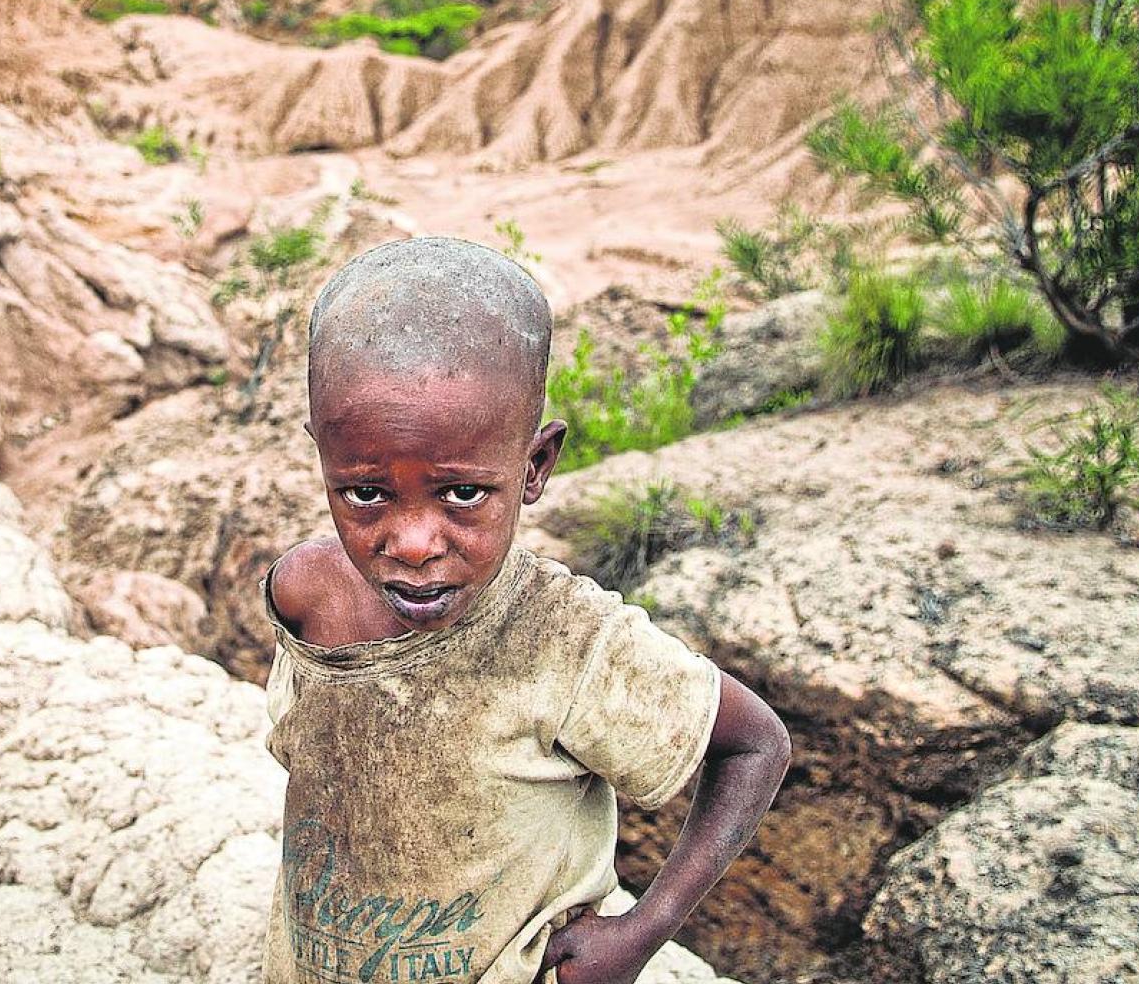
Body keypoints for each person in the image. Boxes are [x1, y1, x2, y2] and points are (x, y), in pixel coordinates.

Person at [260, 236, 791, 984]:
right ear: (323, 458)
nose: (413, 544)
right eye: (366, 493)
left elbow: (755, 746)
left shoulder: (566, 640)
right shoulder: (305, 595)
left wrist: (641, 933)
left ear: (534, 466)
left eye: (463, 493)